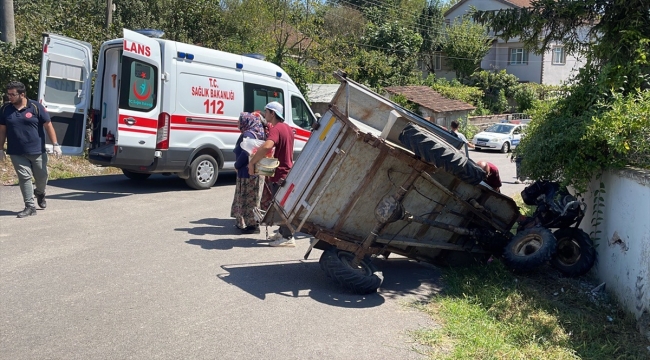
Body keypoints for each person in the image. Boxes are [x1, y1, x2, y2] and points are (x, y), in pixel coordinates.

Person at [0, 81, 61, 218]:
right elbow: (2, 130)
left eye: (13, 94)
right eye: (8, 94)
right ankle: (30, 206)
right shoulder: (5, 110)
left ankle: (40, 192)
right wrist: (0, 148)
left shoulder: (35, 107)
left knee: (42, 176)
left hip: (37, 151)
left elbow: (48, 125)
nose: (10, 97)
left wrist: (55, 144)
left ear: (22, 94)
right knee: (24, 177)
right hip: (16, 151)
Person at [248, 101, 295, 247]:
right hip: (286, 171)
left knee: (281, 208)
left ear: (272, 113)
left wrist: (252, 162)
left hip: (280, 174)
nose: (265, 114)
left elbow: (268, 145)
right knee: (280, 206)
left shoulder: (276, 128)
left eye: (266, 112)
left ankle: (288, 238)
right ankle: (282, 232)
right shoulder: (287, 128)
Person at [231, 112, 266, 234]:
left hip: (247, 173)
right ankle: (251, 223)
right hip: (256, 172)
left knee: (248, 199)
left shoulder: (248, 134)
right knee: (254, 198)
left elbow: (246, 153)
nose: (237, 123)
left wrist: (236, 165)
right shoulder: (259, 132)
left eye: (239, 121)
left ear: (246, 122)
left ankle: (252, 226)